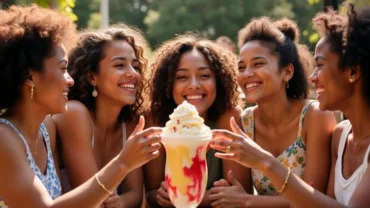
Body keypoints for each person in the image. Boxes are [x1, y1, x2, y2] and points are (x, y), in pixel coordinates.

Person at [0, 5, 161, 208]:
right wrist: (122, 163)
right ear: (30, 76)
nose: (70, 80)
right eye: (62, 69)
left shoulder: (46, 131)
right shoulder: (4, 136)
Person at [210, 5, 370, 207]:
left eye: (319, 65)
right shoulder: (341, 136)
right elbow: (320, 203)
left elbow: (314, 198)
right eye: (241, 67)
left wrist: (262, 168)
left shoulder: (314, 117)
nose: (312, 77)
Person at [144, 34, 251, 207]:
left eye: (204, 76)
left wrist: (183, 198)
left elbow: (239, 193)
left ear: (218, 81)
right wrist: (160, 195)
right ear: (168, 83)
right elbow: (151, 192)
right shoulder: (155, 119)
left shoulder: (228, 117)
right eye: (182, 77)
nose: (194, 85)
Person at [52, 25, 149, 207]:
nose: (133, 73)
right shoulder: (74, 113)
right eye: (120, 65)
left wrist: (120, 202)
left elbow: (135, 195)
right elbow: (93, 198)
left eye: (135, 66)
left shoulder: (129, 123)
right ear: (92, 77)